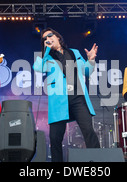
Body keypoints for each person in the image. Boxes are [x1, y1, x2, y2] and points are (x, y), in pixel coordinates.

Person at [33, 28, 100, 162]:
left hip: (77, 97)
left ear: (58, 37)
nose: (47, 39)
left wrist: (91, 60)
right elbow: (38, 68)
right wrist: (46, 50)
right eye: (44, 39)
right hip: (59, 100)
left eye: (50, 36)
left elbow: (86, 71)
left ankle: (98, 162)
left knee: (88, 131)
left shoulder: (73, 52)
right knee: (55, 138)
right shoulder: (47, 58)